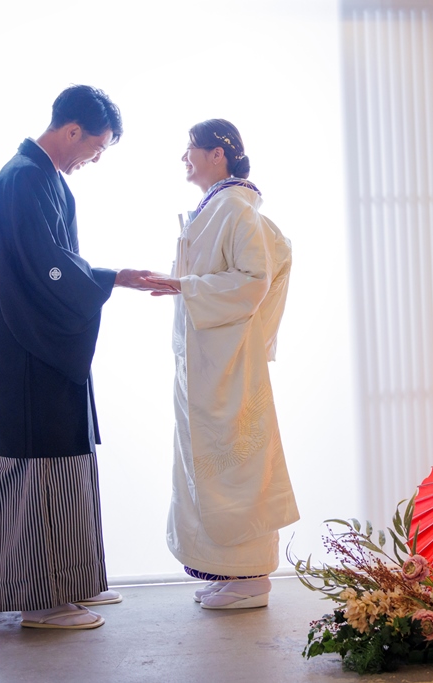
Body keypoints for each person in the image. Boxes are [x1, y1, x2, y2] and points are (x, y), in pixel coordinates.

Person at [0, 85, 172, 629]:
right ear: (72, 131)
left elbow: (55, 265)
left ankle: (70, 583)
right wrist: (111, 278)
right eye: (96, 148)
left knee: (65, 467)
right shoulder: (23, 178)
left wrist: (107, 279)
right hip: (27, 349)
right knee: (34, 468)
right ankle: (39, 598)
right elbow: (46, 269)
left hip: (43, 342)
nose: (94, 159)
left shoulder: (43, 178)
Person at [148, 119, 299, 609]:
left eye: (190, 149)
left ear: (218, 154)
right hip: (210, 356)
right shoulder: (221, 205)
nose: (184, 158)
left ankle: (251, 578)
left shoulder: (234, 206)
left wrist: (183, 286)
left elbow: (255, 280)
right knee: (212, 459)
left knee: (236, 460)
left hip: (229, 360)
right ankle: (228, 571)